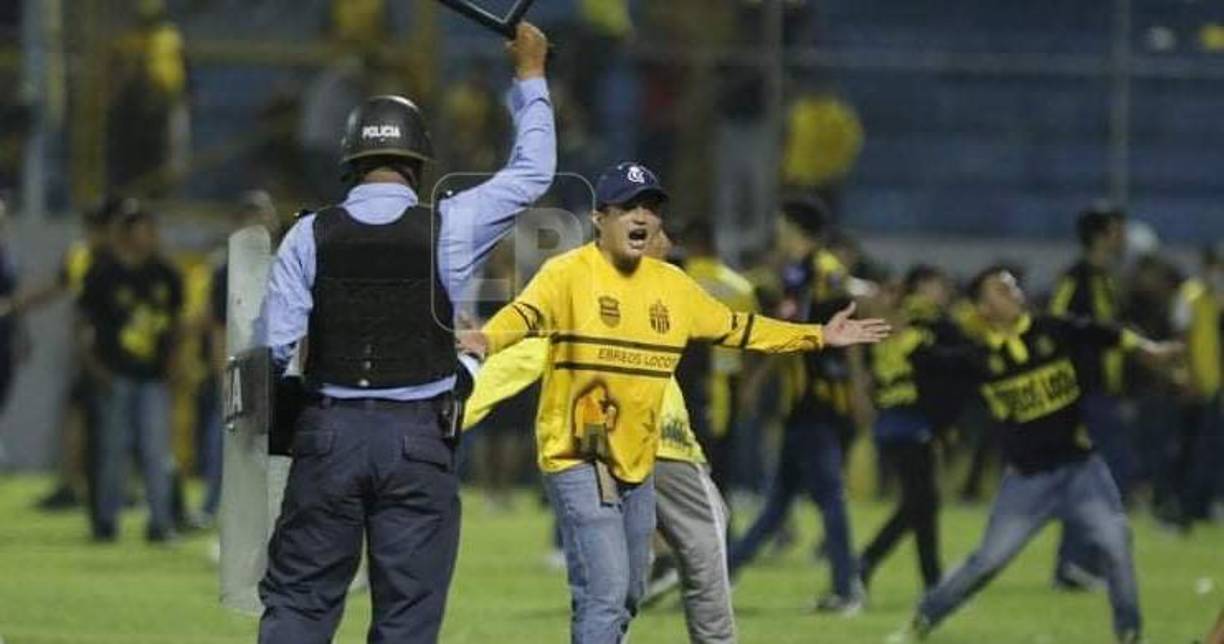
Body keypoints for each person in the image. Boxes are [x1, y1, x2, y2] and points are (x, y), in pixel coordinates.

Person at [461, 161, 889, 643]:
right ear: (600, 218)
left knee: (626, 592)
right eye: (628, 207)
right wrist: (486, 340)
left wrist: (817, 335)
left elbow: (740, 328)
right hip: (580, 456)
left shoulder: (674, 288)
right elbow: (525, 315)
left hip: (639, 458)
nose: (642, 217)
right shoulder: (567, 273)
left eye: (651, 208)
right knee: (606, 592)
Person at [256, 22, 554, 644]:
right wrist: (530, 75)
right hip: (420, 437)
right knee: (407, 617)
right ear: (418, 163)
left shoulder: (308, 234)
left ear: (349, 161)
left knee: (302, 604)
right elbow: (532, 172)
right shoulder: (453, 223)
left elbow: (277, 350)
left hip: (329, 431)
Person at [463, 228, 740, 644]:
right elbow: (519, 360)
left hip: (667, 446)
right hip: (602, 451)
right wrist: (446, 413)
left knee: (693, 555)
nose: (664, 241)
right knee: (613, 587)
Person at [902, 267, 1180, 644]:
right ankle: (923, 620)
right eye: (1001, 289)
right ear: (984, 307)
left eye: (1013, 285)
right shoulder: (980, 358)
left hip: (1082, 469)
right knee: (987, 562)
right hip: (1028, 480)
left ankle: (1130, 634)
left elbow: (1101, 332)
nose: (1014, 292)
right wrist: (897, 335)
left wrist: (1148, 349)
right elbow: (931, 362)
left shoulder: (1052, 329)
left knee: (1116, 543)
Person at [728, 197, 870, 614]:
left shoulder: (824, 273)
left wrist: (859, 388)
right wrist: (762, 379)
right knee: (777, 506)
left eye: (782, 224)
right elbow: (792, 331)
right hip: (800, 404)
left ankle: (847, 589)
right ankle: (721, 574)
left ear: (794, 227)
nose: (777, 231)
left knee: (829, 497)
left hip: (820, 400)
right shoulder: (798, 273)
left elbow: (842, 332)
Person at [858, 266, 967, 594]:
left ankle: (930, 579)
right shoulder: (918, 324)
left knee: (922, 503)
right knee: (919, 504)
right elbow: (940, 366)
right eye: (938, 284)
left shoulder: (900, 325)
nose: (944, 291)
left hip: (902, 421)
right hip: (906, 423)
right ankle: (867, 561)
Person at [78, 207, 184, 542]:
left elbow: (177, 325)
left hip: (154, 377)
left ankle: (160, 523)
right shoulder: (102, 274)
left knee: (156, 450)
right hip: (115, 374)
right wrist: (95, 367)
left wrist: (175, 364)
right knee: (114, 452)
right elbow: (82, 325)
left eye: (153, 230)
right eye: (143, 230)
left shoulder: (167, 274)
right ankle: (106, 523)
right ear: (126, 235)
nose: (150, 237)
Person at [1048, 203, 1130, 589]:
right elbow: (1053, 328)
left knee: (1103, 478)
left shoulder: (1105, 279)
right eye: (1118, 229)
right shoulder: (1076, 279)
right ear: (1101, 234)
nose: (1123, 237)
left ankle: (1083, 562)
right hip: (1082, 396)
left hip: (1102, 394)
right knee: (1090, 478)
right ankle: (1075, 563)